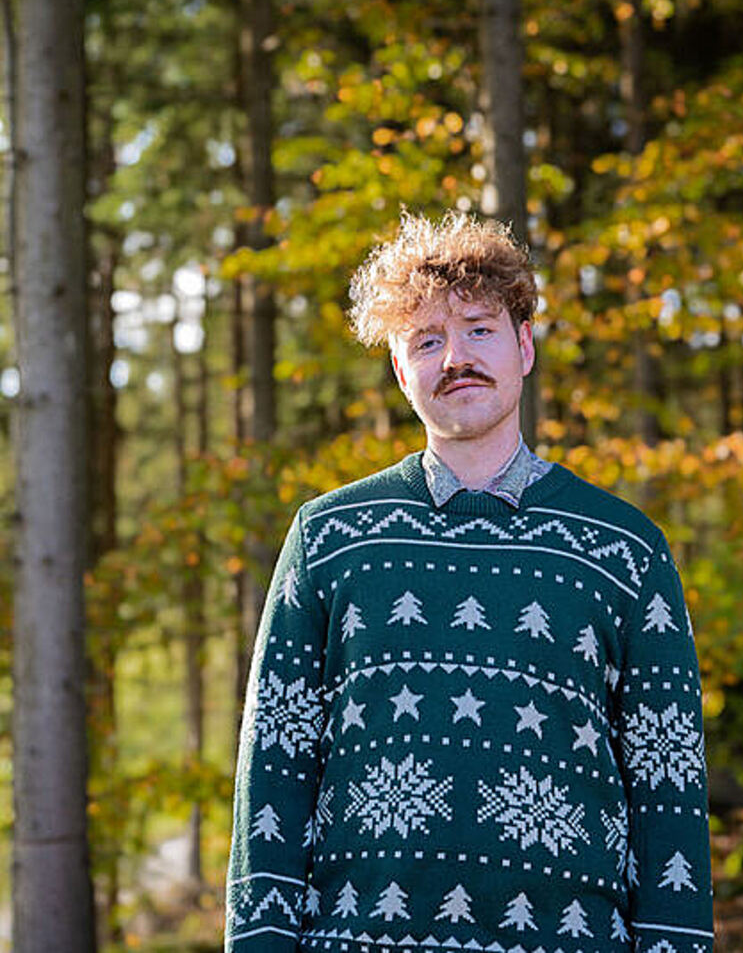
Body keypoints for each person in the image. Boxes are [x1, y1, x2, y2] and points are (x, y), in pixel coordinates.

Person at [225, 210, 713, 953]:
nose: (456, 357)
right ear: (401, 372)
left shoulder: (625, 550)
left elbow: (668, 787)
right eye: (427, 340)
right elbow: (274, 769)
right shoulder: (328, 539)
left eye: (479, 329)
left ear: (525, 347)